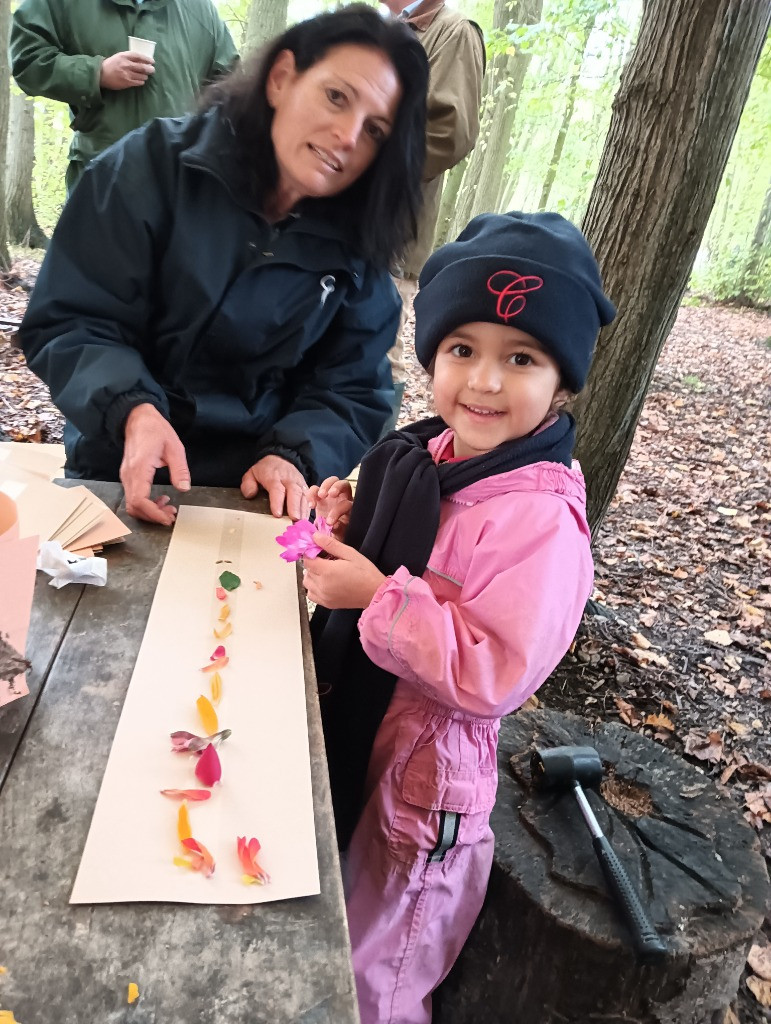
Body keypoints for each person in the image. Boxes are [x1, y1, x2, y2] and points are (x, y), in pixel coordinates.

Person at [304, 211, 616, 1024]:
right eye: (461, 350)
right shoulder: (434, 454)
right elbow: (409, 545)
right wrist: (349, 520)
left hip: (422, 782)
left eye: (520, 358)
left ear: (562, 381)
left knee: (381, 959)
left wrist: (376, 597)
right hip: (367, 728)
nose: (481, 382)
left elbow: (495, 670)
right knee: (331, 903)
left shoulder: (541, 522)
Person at [17, 6, 429, 526]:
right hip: (118, 456)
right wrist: (132, 409)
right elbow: (72, 317)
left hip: (251, 488)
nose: (348, 136)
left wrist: (294, 453)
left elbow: (352, 387)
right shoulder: (151, 167)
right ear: (281, 79)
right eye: (336, 97)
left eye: (374, 130)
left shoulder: (360, 247)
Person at [381, 0, 485, 429]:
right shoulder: (383, 27)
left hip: (389, 231)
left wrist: (359, 171)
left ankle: (368, 475)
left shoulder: (453, 31)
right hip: (340, 226)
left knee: (377, 353)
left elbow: (448, 132)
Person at [10, 0, 239, 194]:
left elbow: (232, 90)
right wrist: (97, 73)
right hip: (101, 179)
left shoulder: (200, 9)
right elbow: (27, 60)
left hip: (178, 185)